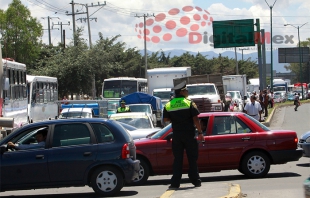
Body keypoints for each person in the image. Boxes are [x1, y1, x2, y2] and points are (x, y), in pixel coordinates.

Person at [163, 81, 204, 189]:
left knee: (178, 159)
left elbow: (166, 119)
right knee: (192, 158)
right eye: (186, 90)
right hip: (189, 134)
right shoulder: (189, 102)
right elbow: (195, 118)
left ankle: (175, 183)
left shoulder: (169, 104)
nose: (187, 92)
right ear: (181, 92)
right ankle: (195, 180)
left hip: (177, 135)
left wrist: (176, 119)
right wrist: (200, 133)